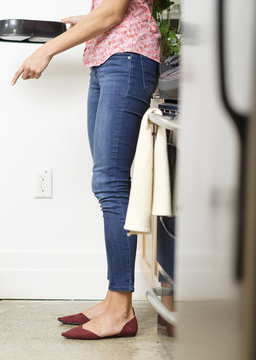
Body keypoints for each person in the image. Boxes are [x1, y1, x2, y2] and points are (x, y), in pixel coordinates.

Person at [12, 0, 161, 340]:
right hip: (108, 58)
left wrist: (46, 50)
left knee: (111, 184)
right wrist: (90, 20)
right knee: (107, 183)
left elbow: (112, 13)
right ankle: (113, 300)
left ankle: (121, 310)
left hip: (127, 59)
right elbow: (114, 9)